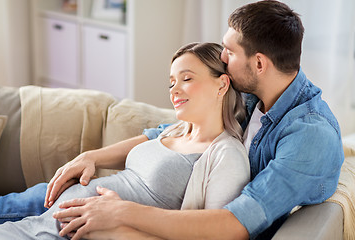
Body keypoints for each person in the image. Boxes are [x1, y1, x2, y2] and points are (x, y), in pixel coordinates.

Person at [48, 1, 343, 240]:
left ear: (260, 63)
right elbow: (167, 132)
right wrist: (91, 157)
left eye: (229, 51)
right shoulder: (253, 95)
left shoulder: (309, 136)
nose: (222, 58)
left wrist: (121, 213)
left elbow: (236, 223)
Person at [0, 42, 250, 239]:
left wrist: (119, 229)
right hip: (50, 209)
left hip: (66, 231)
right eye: (171, 83)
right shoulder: (173, 131)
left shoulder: (227, 155)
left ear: (222, 84)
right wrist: (89, 158)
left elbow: (211, 233)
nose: (174, 90)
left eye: (187, 79)